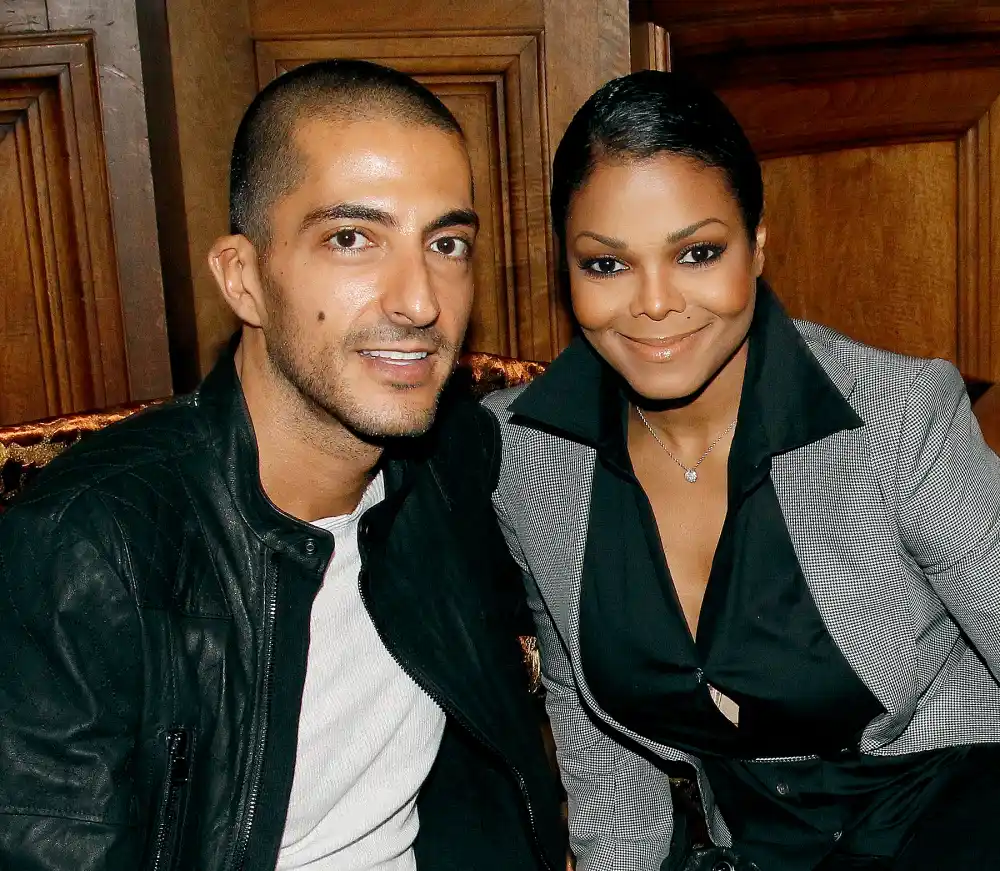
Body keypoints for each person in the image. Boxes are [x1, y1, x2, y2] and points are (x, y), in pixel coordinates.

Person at [0, 59, 564, 871]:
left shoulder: (453, 471)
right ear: (244, 279)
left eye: (446, 243)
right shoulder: (88, 552)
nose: (419, 299)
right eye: (351, 238)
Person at [484, 70, 1000, 871]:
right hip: (758, 846)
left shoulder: (894, 413)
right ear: (567, 268)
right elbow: (592, 729)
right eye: (608, 265)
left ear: (757, 245)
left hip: (953, 804)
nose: (655, 303)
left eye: (697, 252)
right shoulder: (525, 457)